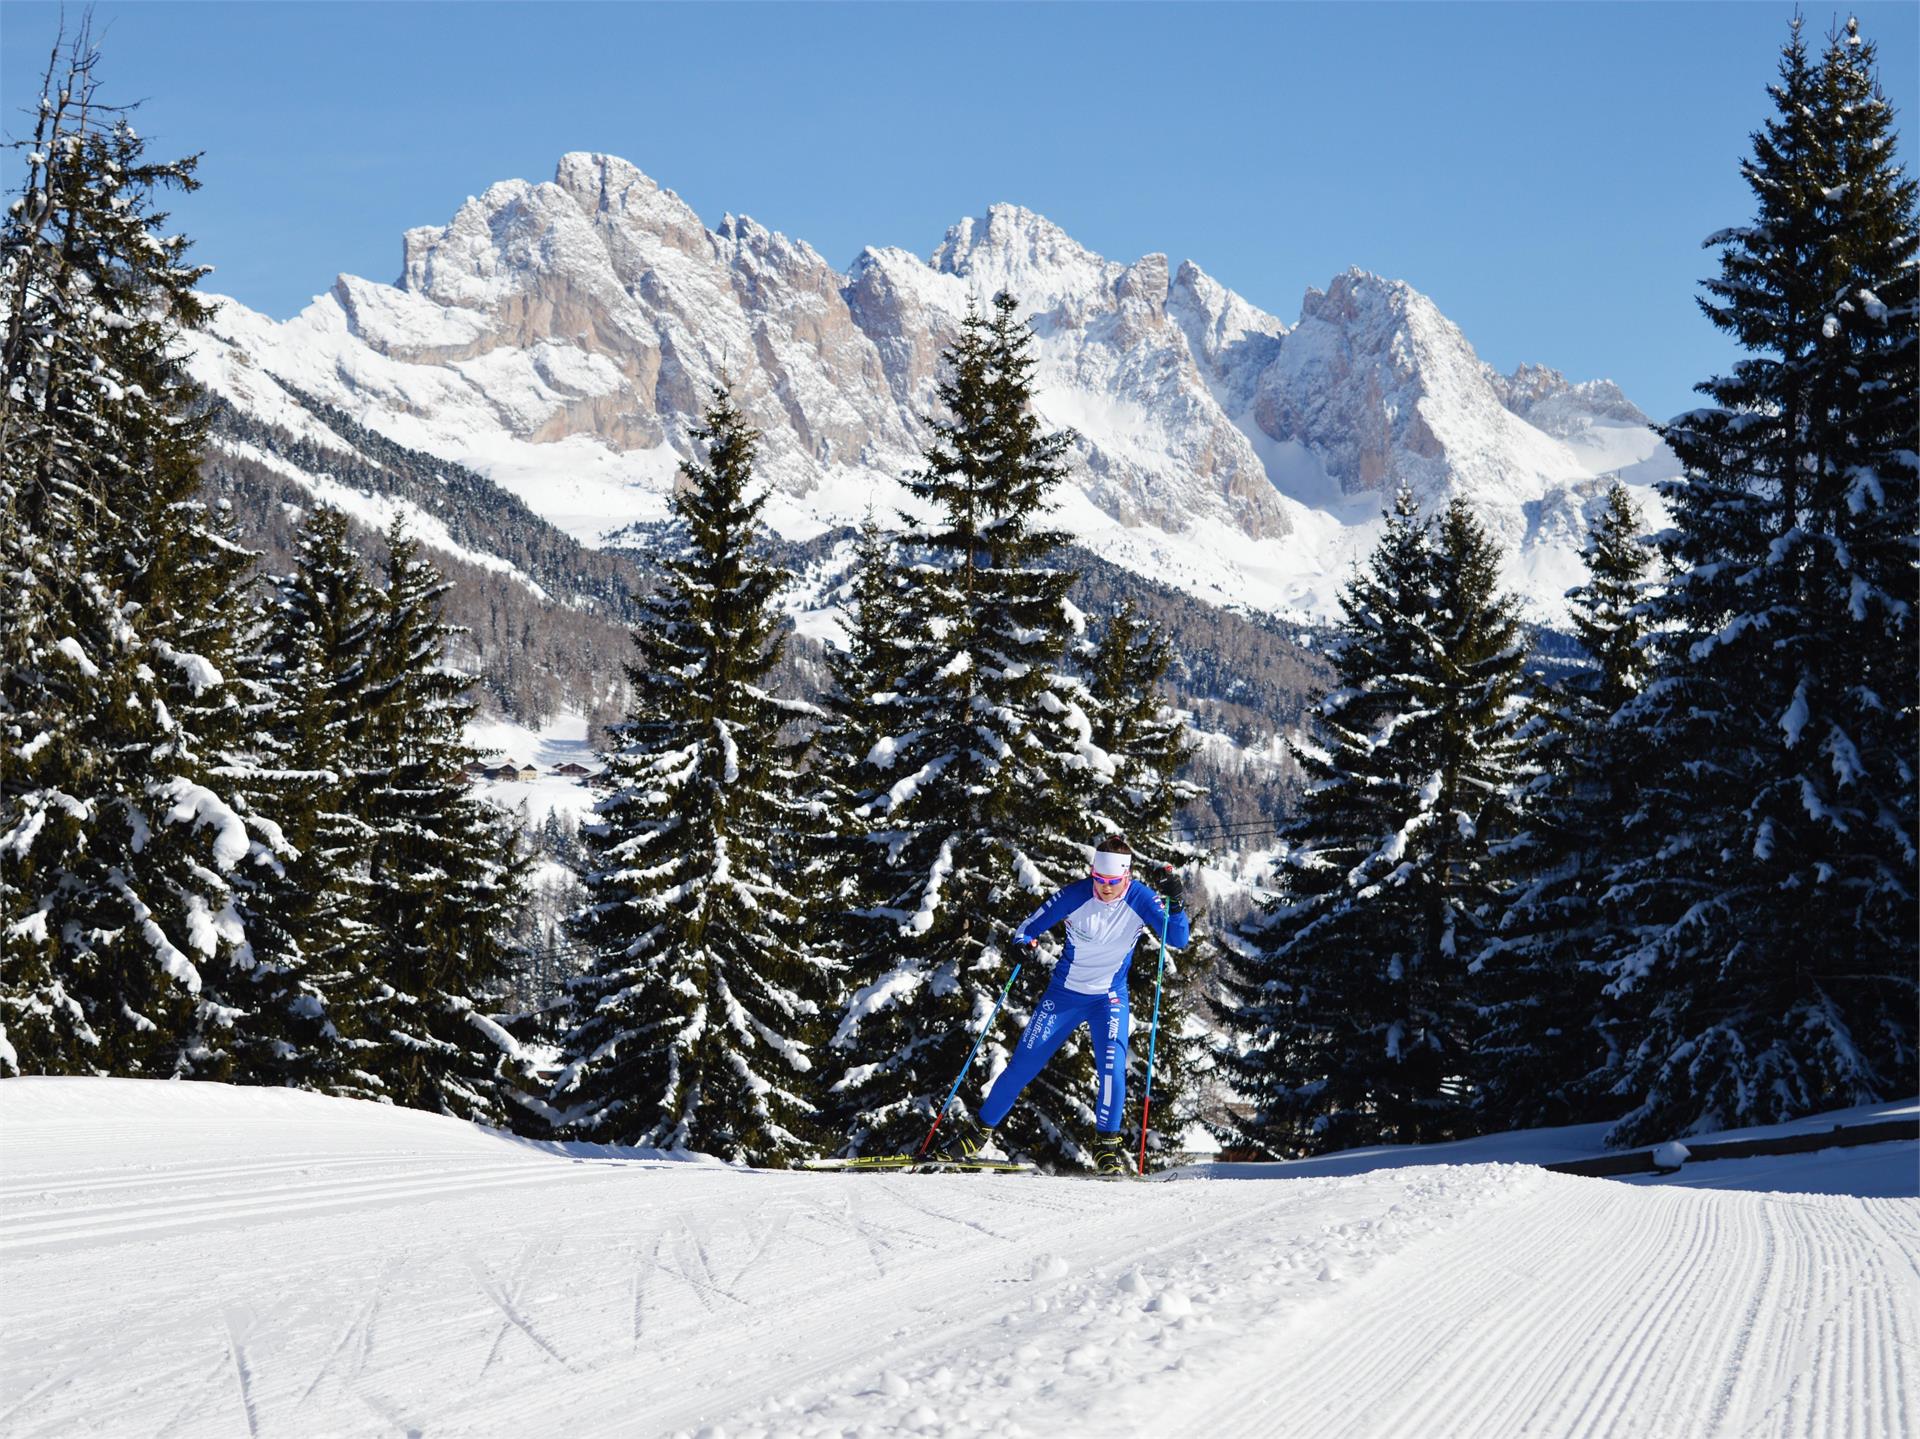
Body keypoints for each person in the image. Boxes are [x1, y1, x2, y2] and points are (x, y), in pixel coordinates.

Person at [939, 833, 1190, 1176]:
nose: (1103, 887)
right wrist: (1021, 944)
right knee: (1022, 1065)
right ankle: (975, 1135)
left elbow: (1177, 938)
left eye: (1112, 882)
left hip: (1109, 998)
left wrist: (1176, 902)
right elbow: (1028, 927)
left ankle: (1107, 1150)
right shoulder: (1075, 894)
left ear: (1126, 877)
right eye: (1098, 879)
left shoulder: (1140, 898)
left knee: (1113, 1069)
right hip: (1064, 995)